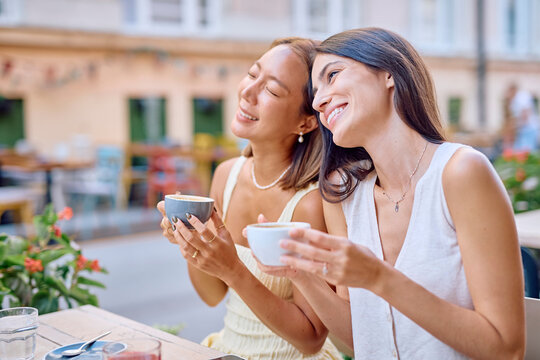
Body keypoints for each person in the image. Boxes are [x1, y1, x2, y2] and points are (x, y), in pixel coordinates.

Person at [269, 28, 525, 359]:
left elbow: (507, 349)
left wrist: (379, 278)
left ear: (389, 72)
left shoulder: (462, 173)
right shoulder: (343, 196)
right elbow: (357, 340)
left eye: (333, 75)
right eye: (316, 92)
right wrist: (301, 275)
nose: (318, 101)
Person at [157, 37, 341, 360]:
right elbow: (213, 295)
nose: (247, 91)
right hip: (227, 351)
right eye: (252, 74)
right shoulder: (225, 176)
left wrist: (233, 270)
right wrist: (193, 245)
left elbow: (311, 338)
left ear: (306, 121)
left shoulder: (309, 204)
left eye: (271, 90)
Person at [507, 84, 539, 152]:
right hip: (522, 130)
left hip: (528, 128)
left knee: (527, 152)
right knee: (519, 151)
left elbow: (526, 113)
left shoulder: (521, 97)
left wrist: (517, 125)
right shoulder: (514, 101)